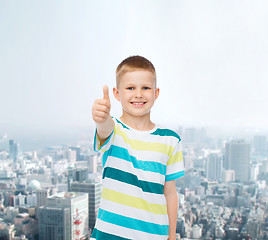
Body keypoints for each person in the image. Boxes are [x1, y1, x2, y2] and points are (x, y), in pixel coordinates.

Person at [91, 56, 184, 240]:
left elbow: (170, 192)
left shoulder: (171, 140)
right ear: (117, 94)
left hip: (153, 235)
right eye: (130, 88)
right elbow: (104, 129)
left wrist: (172, 236)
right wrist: (101, 118)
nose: (138, 94)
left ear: (156, 93)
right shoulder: (115, 130)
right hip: (109, 235)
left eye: (146, 88)